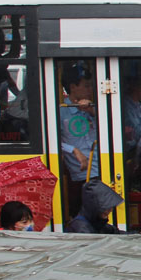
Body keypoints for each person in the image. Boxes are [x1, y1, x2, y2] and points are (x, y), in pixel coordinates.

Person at [59, 61, 99, 218]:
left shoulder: (93, 108)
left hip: (101, 165)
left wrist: (92, 111)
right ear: (73, 87)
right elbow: (52, 141)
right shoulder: (62, 110)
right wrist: (73, 150)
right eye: (86, 86)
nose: (90, 90)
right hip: (81, 172)